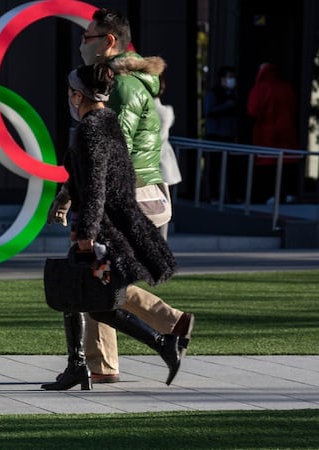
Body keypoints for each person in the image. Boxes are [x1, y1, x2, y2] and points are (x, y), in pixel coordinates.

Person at [49, 7, 194, 385]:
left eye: (88, 37)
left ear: (108, 42)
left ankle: (166, 327)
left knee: (94, 276)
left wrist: (84, 217)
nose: (83, 44)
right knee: (95, 277)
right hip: (132, 194)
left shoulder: (122, 88)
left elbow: (109, 161)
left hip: (130, 197)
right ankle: (103, 363)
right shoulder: (123, 83)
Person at [246, 62, 301, 204]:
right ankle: (289, 193)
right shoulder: (287, 88)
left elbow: (253, 111)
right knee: (288, 160)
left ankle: (269, 195)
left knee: (267, 161)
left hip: (266, 131)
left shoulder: (260, 89)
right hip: (287, 130)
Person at [203, 66, 242, 203]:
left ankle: (234, 196)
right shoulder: (214, 94)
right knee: (215, 167)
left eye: (233, 77)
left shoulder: (233, 94)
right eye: (229, 77)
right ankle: (213, 196)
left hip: (229, 136)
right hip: (216, 136)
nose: (232, 80)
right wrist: (227, 105)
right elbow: (208, 111)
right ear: (222, 79)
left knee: (232, 168)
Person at [154, 73, 181, 240]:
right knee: (162, 210)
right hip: (164, 164)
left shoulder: (153, 111)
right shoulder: (167, 110)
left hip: (153, 164)